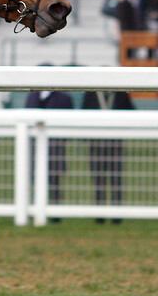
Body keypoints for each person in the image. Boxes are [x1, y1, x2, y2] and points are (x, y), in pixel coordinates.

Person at [82, 89, 134, 224]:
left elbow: (131, 112)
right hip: (96, 143)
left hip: (116, 142)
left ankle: (116, 215)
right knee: (98, 180)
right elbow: (83, 114)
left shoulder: (121, 94)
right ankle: (100, 215)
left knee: (116, 179)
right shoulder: (91, 94)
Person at [26, 87, 73, 223]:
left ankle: (55, 214)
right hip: (35, 146)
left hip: (55, 147)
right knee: (34, 180)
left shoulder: (64, 98)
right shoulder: (32, 96)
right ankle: (34, 212)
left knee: (54, 182)